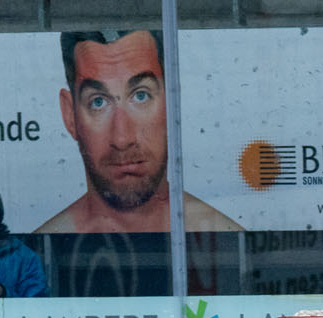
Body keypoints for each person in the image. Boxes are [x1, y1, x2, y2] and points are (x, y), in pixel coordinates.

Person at [35, 29, 239, 236]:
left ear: (172, 103)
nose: (122, 139)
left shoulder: (230, 240)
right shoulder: (42, 247)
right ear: (70, 115)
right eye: (98, 102)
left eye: (141, 96)